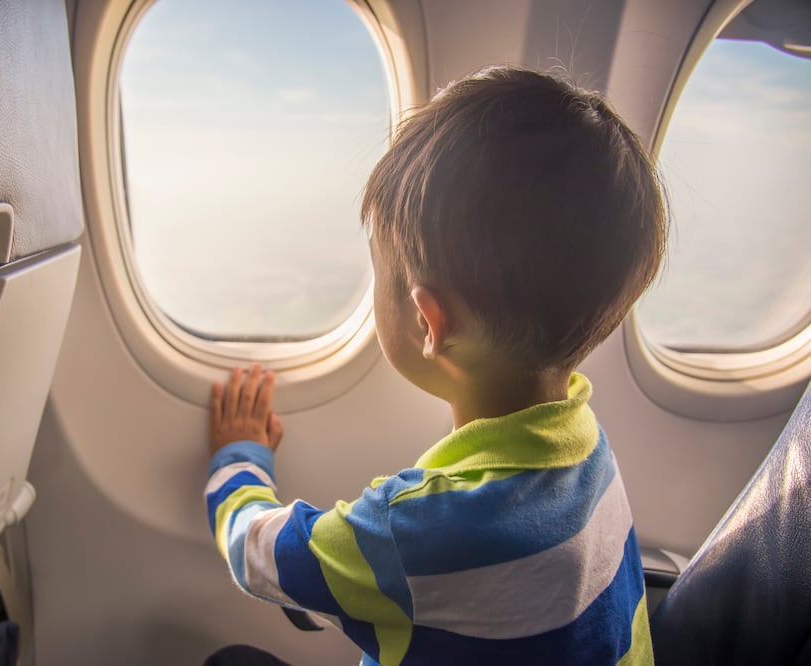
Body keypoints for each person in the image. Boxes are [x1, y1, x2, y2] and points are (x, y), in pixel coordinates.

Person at [203, 65, 666, 666]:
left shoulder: (412, 531)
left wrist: (238, 455)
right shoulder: (590, 452)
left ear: (428, 321)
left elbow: (255, 553)